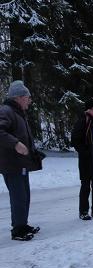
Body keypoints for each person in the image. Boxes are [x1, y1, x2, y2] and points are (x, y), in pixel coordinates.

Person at [0, 80, 43, 241]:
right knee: (18, 196)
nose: (30, 100)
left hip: (21, 163)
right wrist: (16, 144)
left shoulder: (17, 113)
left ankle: (22, 224)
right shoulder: (6, 111)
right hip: (12, 164)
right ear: (18, 97)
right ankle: (17, 230)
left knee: (24, 195)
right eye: (27, 97)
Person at [71, 98, 93, 220]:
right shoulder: (82, 121)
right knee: (85, 185)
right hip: (86, 159)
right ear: (88, 110)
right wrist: (85, 152)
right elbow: (75, 140)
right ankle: (83, 211)